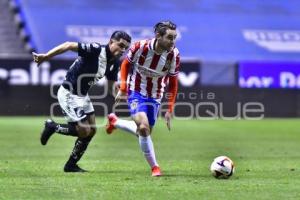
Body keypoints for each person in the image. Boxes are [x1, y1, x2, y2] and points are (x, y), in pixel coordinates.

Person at [32, 31, 131, 172]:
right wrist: (46, 56)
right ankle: (52, 126)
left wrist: (120, 95)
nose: (122, 50)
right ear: (111, 42)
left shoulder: (114, 63)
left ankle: (71, 165)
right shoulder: (96, 49)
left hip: (83, 96)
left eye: (125, 48)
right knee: (84, 131)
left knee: (92, 131)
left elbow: (110, 87)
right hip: (69, 93)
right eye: (120, 45)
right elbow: (68, 45)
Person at [106, 21, 180, 177]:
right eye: (169, 38)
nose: (172, 41)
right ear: (158, 36)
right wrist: (124, 88)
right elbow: (125, 64)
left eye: (174, 38)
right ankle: (155, 167)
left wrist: (170, 107)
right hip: (136, 92)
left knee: (143, 132)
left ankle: (115, 122)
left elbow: (173, 83)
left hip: (155, 96)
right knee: (144, 127)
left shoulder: (174, 54)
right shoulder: (141, 47)